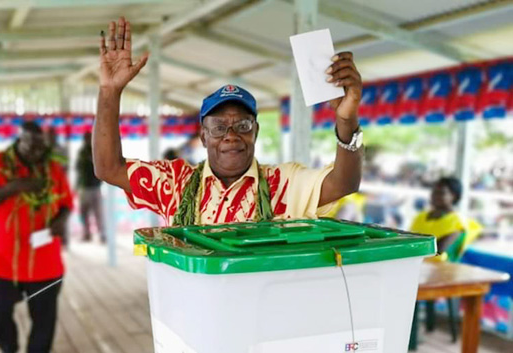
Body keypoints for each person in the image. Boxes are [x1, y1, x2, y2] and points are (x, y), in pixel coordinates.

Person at [93, 17, 364, 225]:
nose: (231, 136)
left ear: (255, 132)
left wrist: (346, 119)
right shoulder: (176, 184)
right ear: (203, 136)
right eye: (219, 127)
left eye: (242, 126)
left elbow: (343, 183)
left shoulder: (282, 183)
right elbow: (108, 168)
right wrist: (109, 92)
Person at [0, 122, 73, 353]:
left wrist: (59, 222)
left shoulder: (52, 168)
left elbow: (66, 203)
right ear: (19, 140)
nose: (37, 152)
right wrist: (16, 186)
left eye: (42, 148)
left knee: (45, 312)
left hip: (43, 258)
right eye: (31, 146)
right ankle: (7, 349)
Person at [409, 177, 481, 261]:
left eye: (441, 193)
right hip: (417, 263)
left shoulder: (457, 221)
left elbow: (437, 250)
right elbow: (409, 242)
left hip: (441, 268)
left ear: (453, 196)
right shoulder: (420, 217)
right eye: (434, 191)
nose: (435, 195)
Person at [75, 131, 105, 242]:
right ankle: (86, 234)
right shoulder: (82, 152)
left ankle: (102, 235)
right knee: (84, 214)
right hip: (84, 187)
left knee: (98, 214)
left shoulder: (97, 151)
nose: (86, 140)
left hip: (95, 187)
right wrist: (76, 186)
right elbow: (78, 170)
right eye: (86, 138)